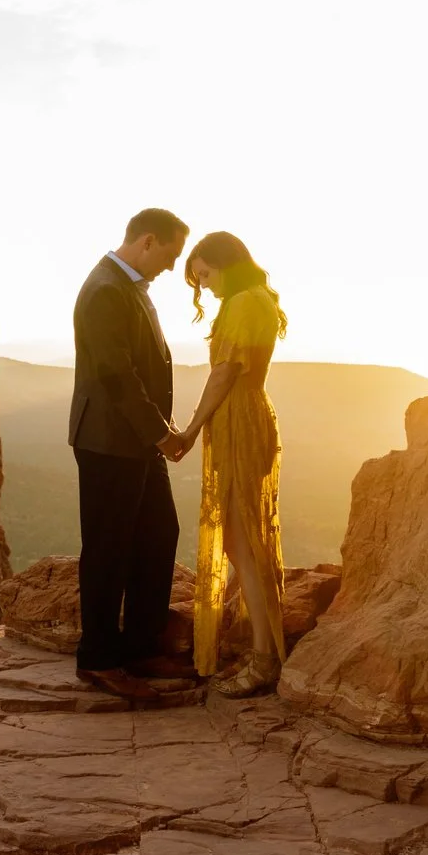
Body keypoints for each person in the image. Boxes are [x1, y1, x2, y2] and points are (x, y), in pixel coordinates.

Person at [69, 208, 193, 699]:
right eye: (170, 254)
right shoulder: (105, 290)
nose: (170, 266)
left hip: (136, 439)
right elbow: (116, 376)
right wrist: (161, 434)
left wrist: (159, 430)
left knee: (159, 534)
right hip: (107, 441)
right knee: (108, 548)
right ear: (147, 241)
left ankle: (141, 647)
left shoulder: (128, 287)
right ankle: (98, 659)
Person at [162, 231, 288, 697]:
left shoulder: (243, 304)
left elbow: (224, 373)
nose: (205, 286)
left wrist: (191, 428)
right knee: (242, 537)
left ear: (225, 265)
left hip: (239, 418)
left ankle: (264, 658)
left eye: (206, 275)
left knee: (242, 538)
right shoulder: (255, 299)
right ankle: (259, 640)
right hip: (245, 416)